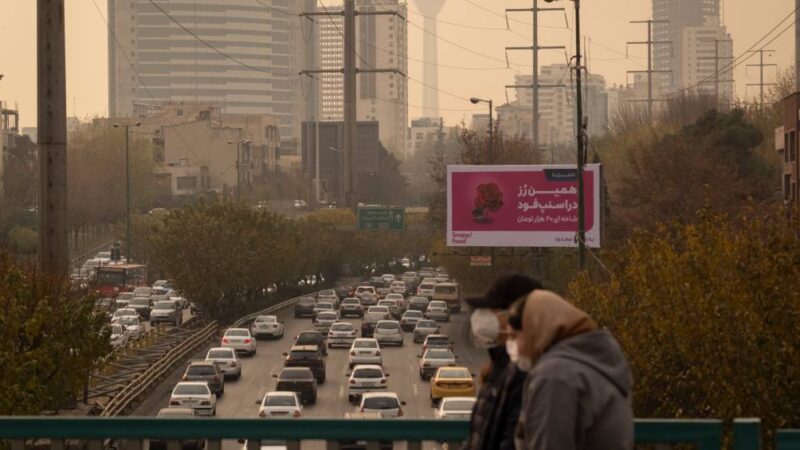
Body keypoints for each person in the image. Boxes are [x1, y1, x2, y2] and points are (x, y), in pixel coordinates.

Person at [508, 290, 634, 450]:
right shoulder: (597, 364)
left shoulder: (555, 376)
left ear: (535, 330)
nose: (513, 347)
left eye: (515, 337)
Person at [464, 273, 543, 450]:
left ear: (515, 314)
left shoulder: (526, 372)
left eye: (491, 309)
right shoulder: (499, 367)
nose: (481, 316)